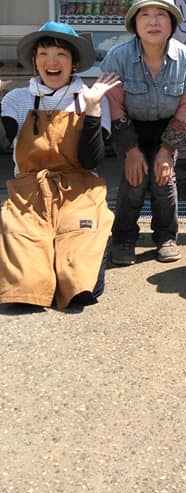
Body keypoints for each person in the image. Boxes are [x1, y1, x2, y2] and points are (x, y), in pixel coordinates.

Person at [0, 21, 118, 310]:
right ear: (34, 60)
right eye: (44, 54)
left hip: (79, 192)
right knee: (26, 285)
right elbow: (3, 138)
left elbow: (91, 161)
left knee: (80, 283)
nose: (51, 62)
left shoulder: (91, 97)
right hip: (29, 195)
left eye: (60, 55)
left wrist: (93, 110)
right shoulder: (18, 98)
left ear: (73, 62)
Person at [100, 0, 186, 266]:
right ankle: (123, 238)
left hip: (167, 128)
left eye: (161, 15)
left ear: (172, 23)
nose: (153, 22)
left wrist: (167, 151)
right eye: (145, 15)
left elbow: (185, 111)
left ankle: (166, 237)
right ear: (134, 23)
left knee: (163, 180)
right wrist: (131, 151)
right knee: (133, 180)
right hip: (127, 126)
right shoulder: (118, 57)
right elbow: (114, 107)